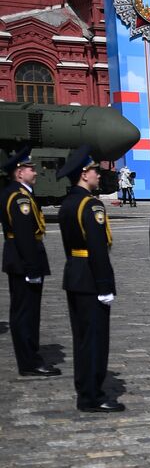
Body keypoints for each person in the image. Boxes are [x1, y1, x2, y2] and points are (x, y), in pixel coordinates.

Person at [56, 146, 123, 413]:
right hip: (92, 279)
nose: (98, 174)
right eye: (95, 170)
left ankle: (85, 390)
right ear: (84, 174)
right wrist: (106, 285)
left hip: (75, 274)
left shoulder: (69, 203)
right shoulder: (91, 205)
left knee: (82, 339)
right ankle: (93, 394)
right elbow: (97, 248)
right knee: (96, 339)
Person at [2, 147, 59, 377]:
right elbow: (25, 235)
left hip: (17, 258)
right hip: (24, 260)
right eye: (30, 168)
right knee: (27, 313)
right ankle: (30, 361)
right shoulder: (19, 199)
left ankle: (28, 358)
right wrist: (33, 267)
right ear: (18, 172)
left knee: (22, 311)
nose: (35, 173)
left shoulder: (15, 193)